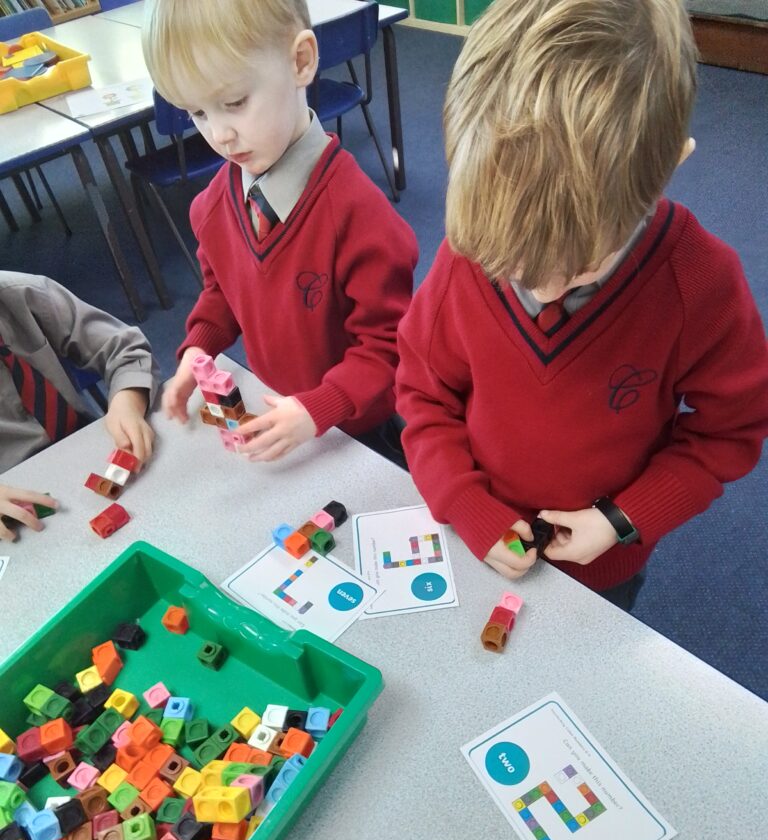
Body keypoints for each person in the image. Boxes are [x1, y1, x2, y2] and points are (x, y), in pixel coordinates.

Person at [396, 0, 768, 610]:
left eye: (576, 264)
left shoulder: (699, 283)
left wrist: (625, 519)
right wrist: (461, 499)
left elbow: (731, 430)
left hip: (608, 563)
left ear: (666, 168)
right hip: (479, 538)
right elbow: (422, 392)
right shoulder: (474, 251)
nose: (540, 289)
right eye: (510, 265)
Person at [143, 0, 417, 465]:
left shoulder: (360, 218)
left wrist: (318, 408)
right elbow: (223, 294)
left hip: (359, 430)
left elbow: (390, 348)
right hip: (280, 413)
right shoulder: (212, 207)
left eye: (233, 103)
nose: (219, 135)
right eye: (197, 113)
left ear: (300, 61)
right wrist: (197, 349)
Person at [0, 271, 158, 541]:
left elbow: (123, 348)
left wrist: (127, 402)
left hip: (86, 453)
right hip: (15, 506)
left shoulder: (23, 293)